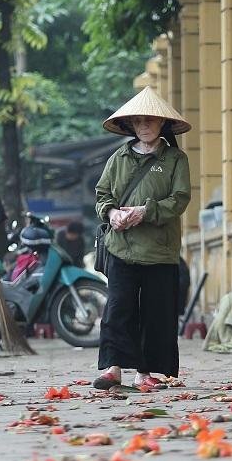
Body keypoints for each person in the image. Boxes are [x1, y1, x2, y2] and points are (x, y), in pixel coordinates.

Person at [92, 87, 192, 390]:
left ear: (162, 124)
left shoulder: (175, 159)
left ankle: (145, 372)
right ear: (131, 126)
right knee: (118, 308)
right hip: (121, 247)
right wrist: (111, 214)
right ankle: (113, 367)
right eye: (138, 121)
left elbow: (180, 199)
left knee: (156, 312)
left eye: (150, 120)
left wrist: (145, 211)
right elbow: (102, 196)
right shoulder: (118, 158)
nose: (144, 125)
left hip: (160, 250)